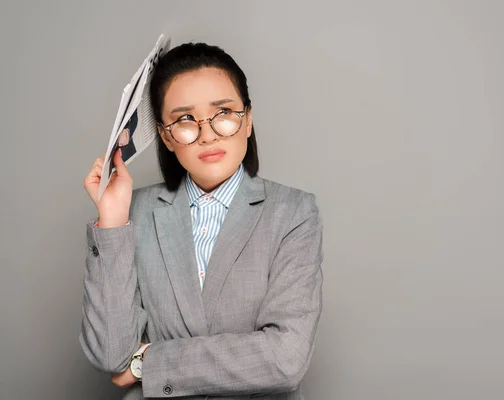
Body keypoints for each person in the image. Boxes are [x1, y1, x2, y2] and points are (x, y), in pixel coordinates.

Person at [80, 42, 323, 400]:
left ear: (248, 119)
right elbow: (110, 354)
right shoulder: (136, 213)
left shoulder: (293, 212)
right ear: (165, 135)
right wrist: (113, 221)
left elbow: (285, 358)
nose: (207, 134)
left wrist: (148, 362)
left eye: (223, 112)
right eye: (184, 120)